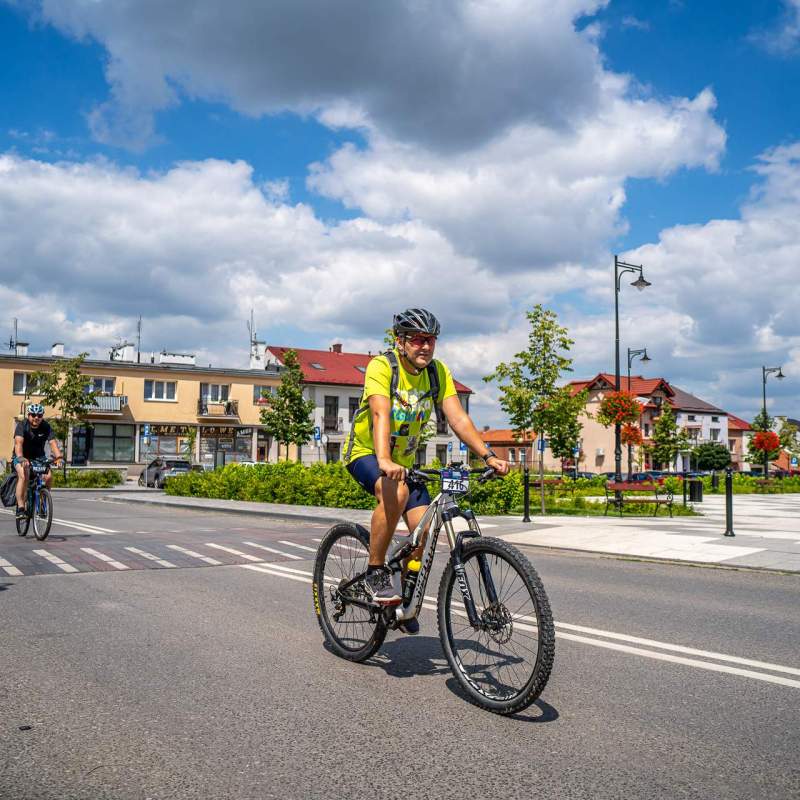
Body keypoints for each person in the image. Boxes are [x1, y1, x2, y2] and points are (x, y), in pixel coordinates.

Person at [344, 308, 509, 627]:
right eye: (418, 339)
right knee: (397, 490)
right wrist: (384, 460)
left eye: (431, 340)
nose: (425, 346)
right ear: (400, 341)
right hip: (366, 452)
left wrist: (487, 455)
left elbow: (458, 418)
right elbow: (381, 414)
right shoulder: (383, 366)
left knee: (423, 532)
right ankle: (376, 571)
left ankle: (405, 599)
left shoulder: (437, 373)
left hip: (403, 464)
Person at [13, 403, 62, 518]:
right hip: (22, 456)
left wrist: (59, 458)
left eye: (39, 415)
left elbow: (53, 443)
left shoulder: (46, 426)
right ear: (29, 415)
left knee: (49, 476)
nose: (36, 417)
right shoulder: (22, 425)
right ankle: (21, 508)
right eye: (33, 415)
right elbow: (18, 443)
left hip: (39, 457)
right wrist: (20, 457)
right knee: (24, 475)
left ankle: (42, 502)